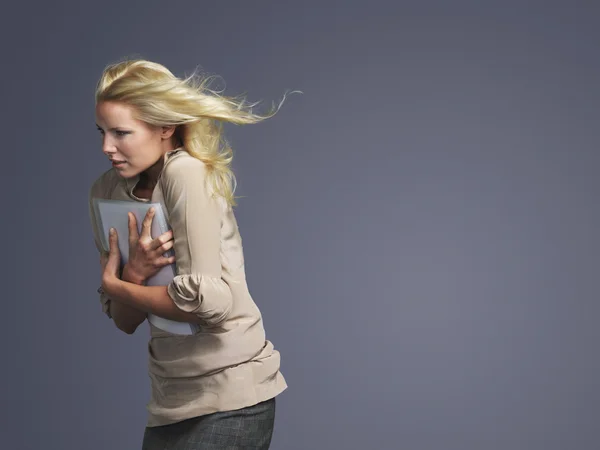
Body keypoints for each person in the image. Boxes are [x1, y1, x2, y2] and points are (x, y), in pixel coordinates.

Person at [88, 59, 292, 449]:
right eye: (102, 132)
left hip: (232, 393)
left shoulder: (185, 173)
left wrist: (115, 284)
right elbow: (124, 320)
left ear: (166, 127)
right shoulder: (104, 191)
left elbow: (208, 303)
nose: (106, 147)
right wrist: (130, 278)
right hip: (169, 399)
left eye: (121, 133)